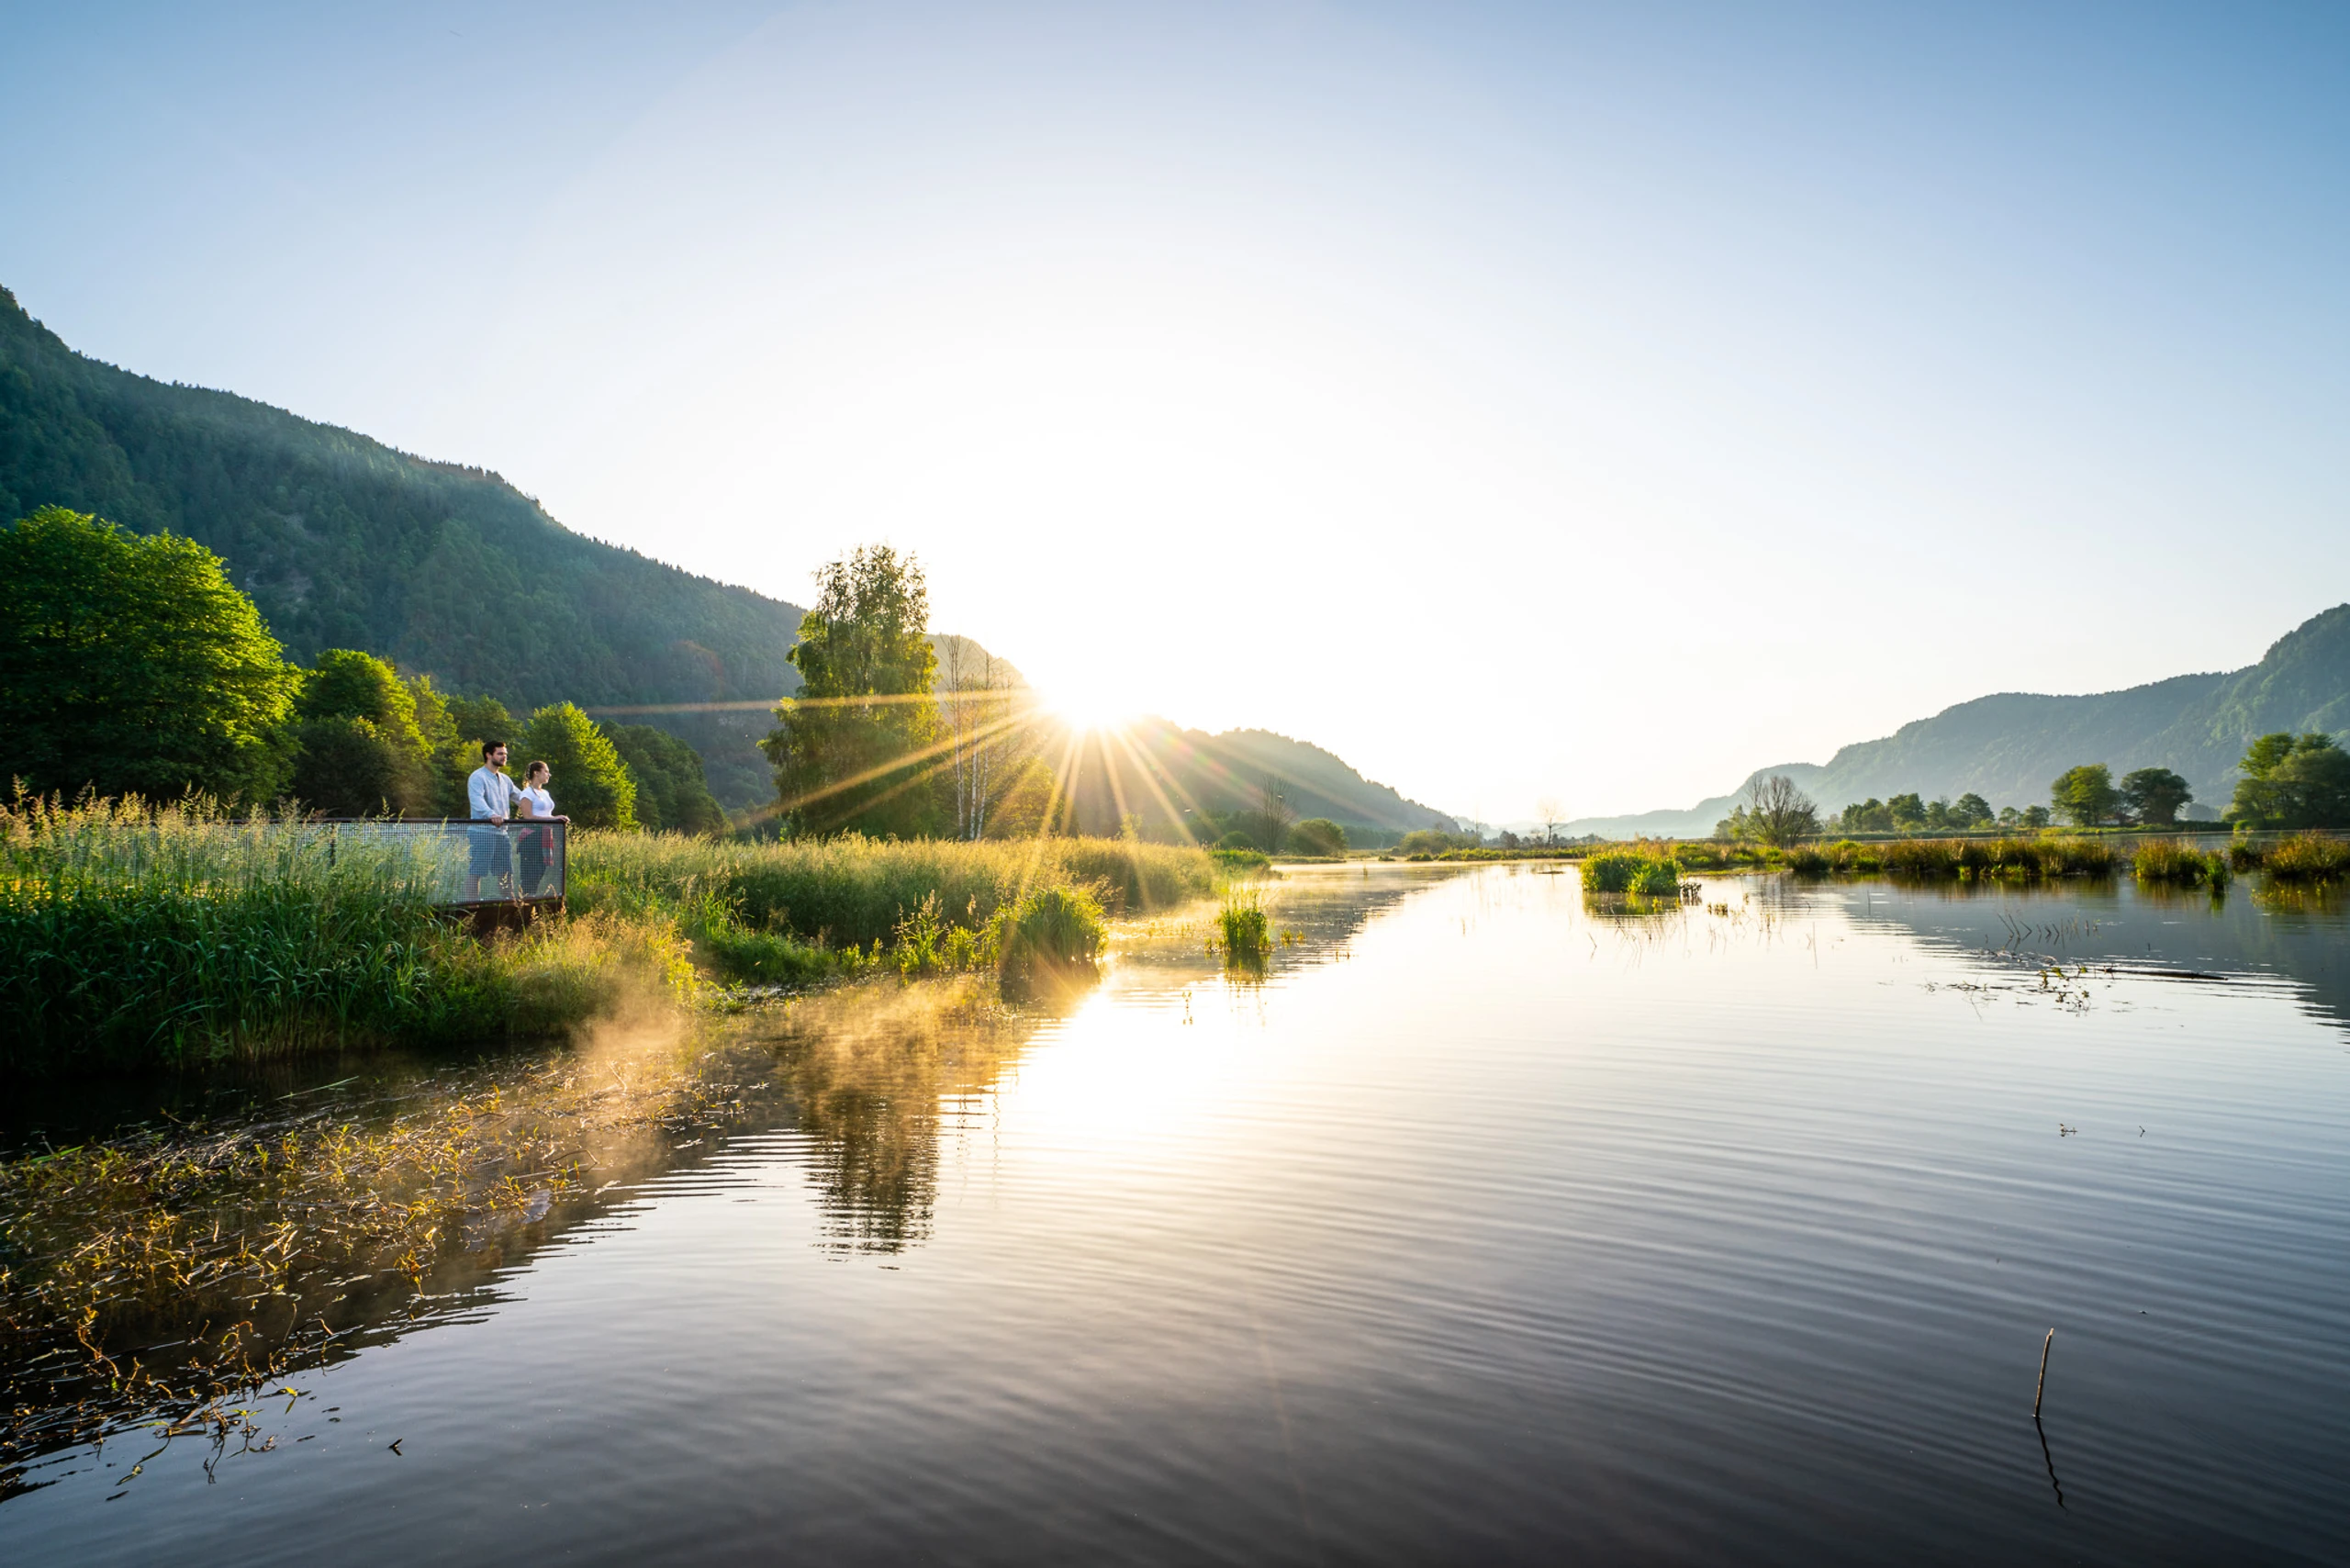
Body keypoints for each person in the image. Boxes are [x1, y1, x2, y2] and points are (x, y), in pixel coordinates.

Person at [466, 739, 521, 901]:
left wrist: (544, 813)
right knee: (477, 871)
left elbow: (520, 798)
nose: (504, 757)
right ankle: (472, 908)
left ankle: (509, 908)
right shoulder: (478, 777)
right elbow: (476, 800)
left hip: (501, 833)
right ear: (488, 755)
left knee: (505, 872)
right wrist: (491, 814)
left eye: (505, 754)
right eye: (500, 753)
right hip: (482, 832)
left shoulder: (505, 779)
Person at [513, 759, 570, 898]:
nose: (548, 775)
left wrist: (554, 820)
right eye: (546, 771)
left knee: (540, 870)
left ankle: (530, 900)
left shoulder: (545, 792)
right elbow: (528, 816)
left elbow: (548, 813)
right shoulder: (527, 793)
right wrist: (554, 819)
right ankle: (525, 902)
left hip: (545, 835)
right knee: (530, 873)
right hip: (532, 836)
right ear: (536, 773)